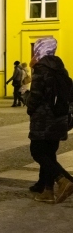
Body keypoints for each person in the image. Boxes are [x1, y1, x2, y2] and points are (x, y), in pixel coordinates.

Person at [26, 37, 73, 203]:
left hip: (43, 120)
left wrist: (29, 107)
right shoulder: (61, 69)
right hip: (59, 119)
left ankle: (63, 180)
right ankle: (47, 190)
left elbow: (36, 96)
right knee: (49, 154)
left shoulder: (41, 69)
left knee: (37, 151)